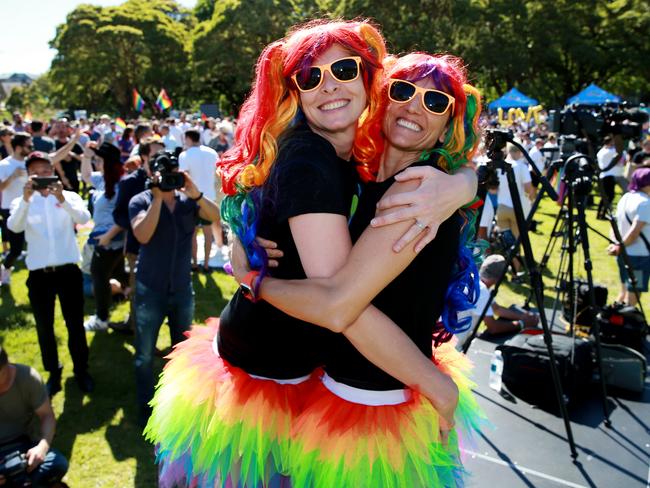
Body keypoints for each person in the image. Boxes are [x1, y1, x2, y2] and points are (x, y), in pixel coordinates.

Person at [145, 23, 478, 487]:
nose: (330, 85)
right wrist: (251, 274)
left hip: (318, 378)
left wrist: (464, 181)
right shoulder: (312, 159)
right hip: (265, 376)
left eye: (343, 68)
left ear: (367, 79)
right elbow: (337, 305)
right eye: (311, 76)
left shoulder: (374, 171)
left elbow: (338, 300)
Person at [228, 52, 485, 487]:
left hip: (375, 414)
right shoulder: (365, 178)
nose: (415, 107)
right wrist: (244, 239)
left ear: (448, 126)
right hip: (338, 395)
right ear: (381, 99)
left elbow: (337, 307)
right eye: (403, 91)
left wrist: (256, 282)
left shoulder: (415, 193)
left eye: (436, 102)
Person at [128, 152, 220, 426]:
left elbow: (216, 217)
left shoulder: (187, 203)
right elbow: (142, 235)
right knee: (144, 354)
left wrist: (195, 193)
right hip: (150, 289)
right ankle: (146, 407)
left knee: (181, 352)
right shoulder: (141, 200)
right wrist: (158, 197)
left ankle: (176, 404)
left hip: (181, 288)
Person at [7, 152, 93, 396]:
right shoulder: (22, 200)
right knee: (44, 326)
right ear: (29, 175)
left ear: (53, 171)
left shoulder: (69, 196)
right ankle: (53, 372)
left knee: (75, 323)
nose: (42, 176)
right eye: (36, 172)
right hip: (39, 275)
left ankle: (81, 369)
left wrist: (62, 198)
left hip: (68, 271)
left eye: (46, 171)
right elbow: (14, 227)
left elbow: (84, 218)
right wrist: (25, 199)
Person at [0, 345, 69, 487]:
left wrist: (42, 447)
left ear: (6, 365)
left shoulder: (27, 377)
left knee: (57, 464)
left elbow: (47, 416)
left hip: (26, 447)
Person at [80, 142, 126, 331]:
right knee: (120, 276)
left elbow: (125, 215)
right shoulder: (102, 180)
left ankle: (101, 318)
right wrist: (86, 156)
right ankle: (132, 307)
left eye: (99, 160)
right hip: (103, 237)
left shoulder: (122, 183)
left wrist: (108, 236)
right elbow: (86, 176)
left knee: (99, 276)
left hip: (111, 239)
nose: (96, 163)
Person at [461, 254, 538, 343]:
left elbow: (497, 309)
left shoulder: (475, 281)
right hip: (453, 348)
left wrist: (522, 316)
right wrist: (522, 324)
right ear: (499, 279)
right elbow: (493, 328)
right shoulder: (482, 292)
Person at [178, 129, 220, 272]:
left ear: (189, 139)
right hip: (209, 196)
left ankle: (195, 263)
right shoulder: (212, 153)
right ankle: (206, 264)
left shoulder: (184, 155)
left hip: (191, 197)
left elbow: (185, 176)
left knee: (193, 233)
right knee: (208, 233)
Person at [608, 167, 650, 306]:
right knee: (633, 296)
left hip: (623, 253)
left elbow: (614, 223)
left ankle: (610, 317)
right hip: (638, 257)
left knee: (623, 291)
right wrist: (620, 245)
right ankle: (623, 322)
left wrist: (615, 244)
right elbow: (634, 232)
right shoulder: (645, 203)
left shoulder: (625, 197)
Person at [0, 133, 31, 286]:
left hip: (31, 209)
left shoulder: (31, 164)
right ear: (19, 147)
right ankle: (5, 270)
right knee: (16, 250)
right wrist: (13, 176)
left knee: (34, 244)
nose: (31, 148)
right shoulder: (5, 165)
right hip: (11, 211)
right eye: (29, 146)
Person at [597, 135, 627, 219]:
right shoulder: (611, 151)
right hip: (609, 176)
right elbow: (622, 158)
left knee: (605, 196)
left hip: (605, 175)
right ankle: (602, 214)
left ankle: (600, 214)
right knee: (609, 196)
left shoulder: (601, 151)